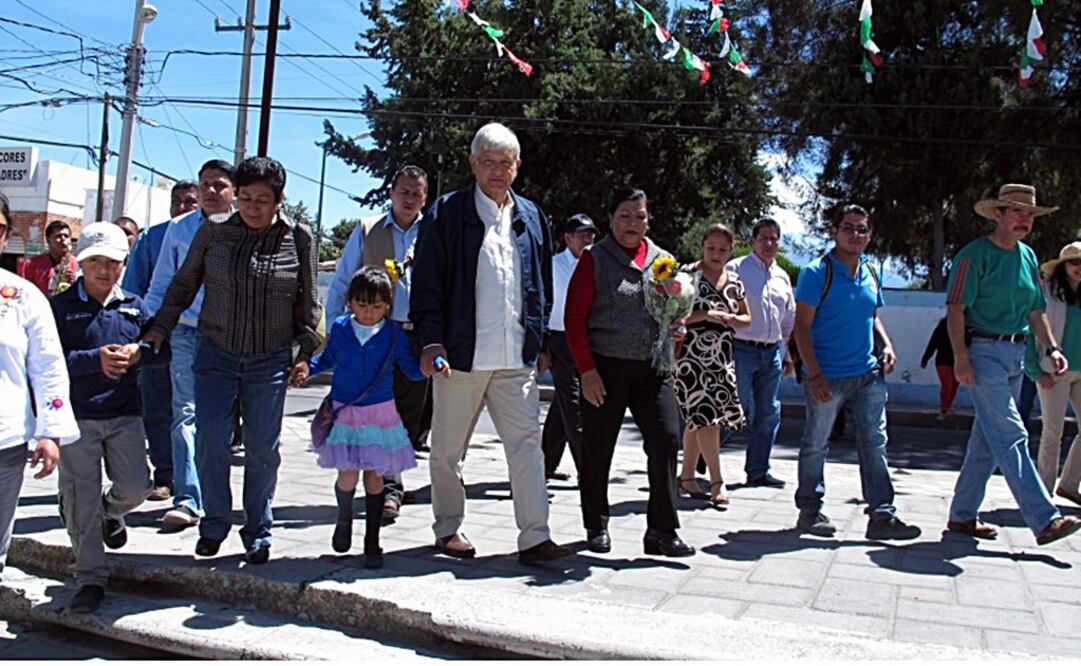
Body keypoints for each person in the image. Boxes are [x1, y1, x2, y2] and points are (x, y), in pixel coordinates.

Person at [144, 156, 321, 564]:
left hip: (269, 359)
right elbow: (184, 284)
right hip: (216, 352)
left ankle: (258, 529)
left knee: (262, 448)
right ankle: (214, 524)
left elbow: (309, 303)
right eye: (244, 198)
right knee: (210, 442)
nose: (252, 207)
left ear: (279, 199)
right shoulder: (213, 232)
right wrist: (160, 327)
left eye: (262, 199)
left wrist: (305, 352)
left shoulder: (300, 239)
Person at [410, 122, 570, 564]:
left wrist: (539, 343)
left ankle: (535, 536)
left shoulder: (532, 216)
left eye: (506, 163)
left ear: (517, 167)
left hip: (515, 359)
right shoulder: (445, 214)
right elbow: (426, 286)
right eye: (489, 162)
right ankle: (448, 529)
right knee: (446, 451)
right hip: (459, 359)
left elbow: (540, 285)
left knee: (527, 449)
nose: (497, 171)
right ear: (473, 164)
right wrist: (430, 342)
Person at [945, 184, 1080, 545]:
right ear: (998, 215)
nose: (1025, 220)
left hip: (1016, 354)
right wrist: (961, 358)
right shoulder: (973, 256)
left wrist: (1052, 348)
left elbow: (1036, 312)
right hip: (982, 352)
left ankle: (961, 516)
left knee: (986, 442)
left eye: (1030, 215)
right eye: (1017, 212)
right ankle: (1045, 518)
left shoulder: (1028, 257)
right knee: (1011, 434)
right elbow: (955, 310)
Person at [565, 186, 694, 557]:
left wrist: (678, 324)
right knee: (598, 447)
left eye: (640, 216)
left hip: (653, 368)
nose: (633, 223)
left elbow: (675, 307)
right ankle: (596, 524)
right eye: (624, 216)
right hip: (604, 369)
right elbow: (574, 320)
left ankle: (662, 531)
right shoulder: (595, 259)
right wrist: (587, 372)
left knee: (667, 437)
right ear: (610, 219)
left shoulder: (662, 260)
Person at [292, 267, 445, 568]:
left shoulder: (393, 334)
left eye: (376, 306)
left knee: (375, 477)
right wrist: (308, 368)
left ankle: (372, 540)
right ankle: (344, 518)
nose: (368, 312)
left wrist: (432, 366)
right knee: (347, 475)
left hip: (380, 415)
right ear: (350, 301)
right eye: (362, 305)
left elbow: (411, 369)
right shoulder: (340, 328)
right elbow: (328, 358)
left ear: (388, 305)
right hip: (345, 413)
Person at [50, 222, 168, 614]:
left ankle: (110, 513)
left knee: (136, 487)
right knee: (80, 498)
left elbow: (160, 350)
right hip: (77, 418)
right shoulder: (61, 308)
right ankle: (89, 578)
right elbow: (50, 363)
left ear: (123, 264)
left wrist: (140, 353)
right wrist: (93, 361)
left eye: (113, 262)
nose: (104, 270)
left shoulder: (134, 306)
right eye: (95, 261)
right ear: (80, 263)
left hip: (124, 414)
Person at [793, 204, 920, 540]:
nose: (855, 235)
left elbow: (871, 315)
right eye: (848, 227)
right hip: (827, 376)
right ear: (834, 231)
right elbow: (801, 327)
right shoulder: (817, 272)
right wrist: (815, 374)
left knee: (874, 443)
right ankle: (809, 509)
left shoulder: (871, 271)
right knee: (816, 444)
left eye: (862, 229)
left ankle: (882, 516)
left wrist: (887, 345)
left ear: (870, 234)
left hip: (867, 375)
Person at [326, 165, 431, 523]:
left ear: (424, 198)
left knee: (406, 417)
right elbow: (342, 280)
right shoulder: (367, 229)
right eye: (403, 191)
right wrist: (335, 331)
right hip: (373, 335)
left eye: (416, 193)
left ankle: (388, 480)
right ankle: (386, 487)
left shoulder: (432, 233)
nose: (409, 198)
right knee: (376, 413)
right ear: (391, 193)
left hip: (416, 335)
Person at [144, 162, 236, 530]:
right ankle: (187, 498)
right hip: (184, 331)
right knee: (185, 413)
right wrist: (151, 328)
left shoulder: (245, 229)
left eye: (219, 185)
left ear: (233, 190)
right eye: (204, 185)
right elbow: (162, 282)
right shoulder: (180, 230)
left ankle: (217, 497)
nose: (210, 192)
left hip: (230, 337)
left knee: (219, 421)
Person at [0, 191, 79, 588]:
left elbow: (48, 367)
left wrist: (50, 431)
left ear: (6, 235)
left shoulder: (23, 298)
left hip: (7, 439)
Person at [121, 179, 200, 502]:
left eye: (189, 201)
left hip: (201, 334)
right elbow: (135, 288)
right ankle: (165, 473)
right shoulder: (152, 237)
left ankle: (193, 481)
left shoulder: (211, 234)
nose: (181, 207)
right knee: (158, 406)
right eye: (176, 200)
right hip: (157, 334)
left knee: (194, 412)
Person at [675, 224, 750, 507]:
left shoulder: (734, 282)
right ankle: (717, 480)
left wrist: (731, 320)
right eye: (711, 248)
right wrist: (706, 314)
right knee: (708, 416)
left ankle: (686, 477)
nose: (716, 254)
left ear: (731, 250)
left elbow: (747, 319)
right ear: (702, 247)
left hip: (722, 356)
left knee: (699, 419)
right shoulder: (687, 277)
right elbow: (676, 315)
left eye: (722, 249)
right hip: (692, 356)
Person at [726, 218, 796, 487]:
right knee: (733, 409)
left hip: (771, 353)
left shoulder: (782, 276)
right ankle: (697, 456)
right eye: (763, 238)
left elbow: (787, 317)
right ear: (753, 241)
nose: (769, 243)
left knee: (769, 412)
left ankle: (758, 470)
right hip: (740, 349)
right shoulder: (736, 268)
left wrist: (786, 353)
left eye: (774, 238)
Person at [1025, 242, 1081, 508]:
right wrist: (1035, 370)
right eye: (1074, 263)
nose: (1079, 268)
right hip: (1053, 372)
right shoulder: (1047, 293)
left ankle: (1069, 484)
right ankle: (1043, 491)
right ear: (1062, 267)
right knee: (1053, 432)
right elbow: (1030, 333)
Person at [543, 213, 597, 482]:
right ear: (567, 238)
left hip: (587, 339)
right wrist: (543, 346)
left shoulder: (595, 264)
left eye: (591, 234)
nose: (587, 240)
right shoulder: (553, 266)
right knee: (574, 403)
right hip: (559, 340)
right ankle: (588, 469)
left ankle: (545, 462)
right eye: (581, 234)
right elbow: (542, 306)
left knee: (563, 404)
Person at [19, 220, 77, 296]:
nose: (63, 239)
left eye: (66, 236)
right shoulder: (31, 264)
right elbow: (24, 290)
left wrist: (75, 283)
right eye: (58, 236)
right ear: (48, 240)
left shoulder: (77, 262)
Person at [920, 317, 957, 420]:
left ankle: (947, 407)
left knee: (954, 386)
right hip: (943, 361)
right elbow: (933, 343)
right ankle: (944, 409)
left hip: (956, 362)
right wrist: (925, 358)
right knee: (947, 386)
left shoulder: (964, 328)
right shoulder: (942, 328)